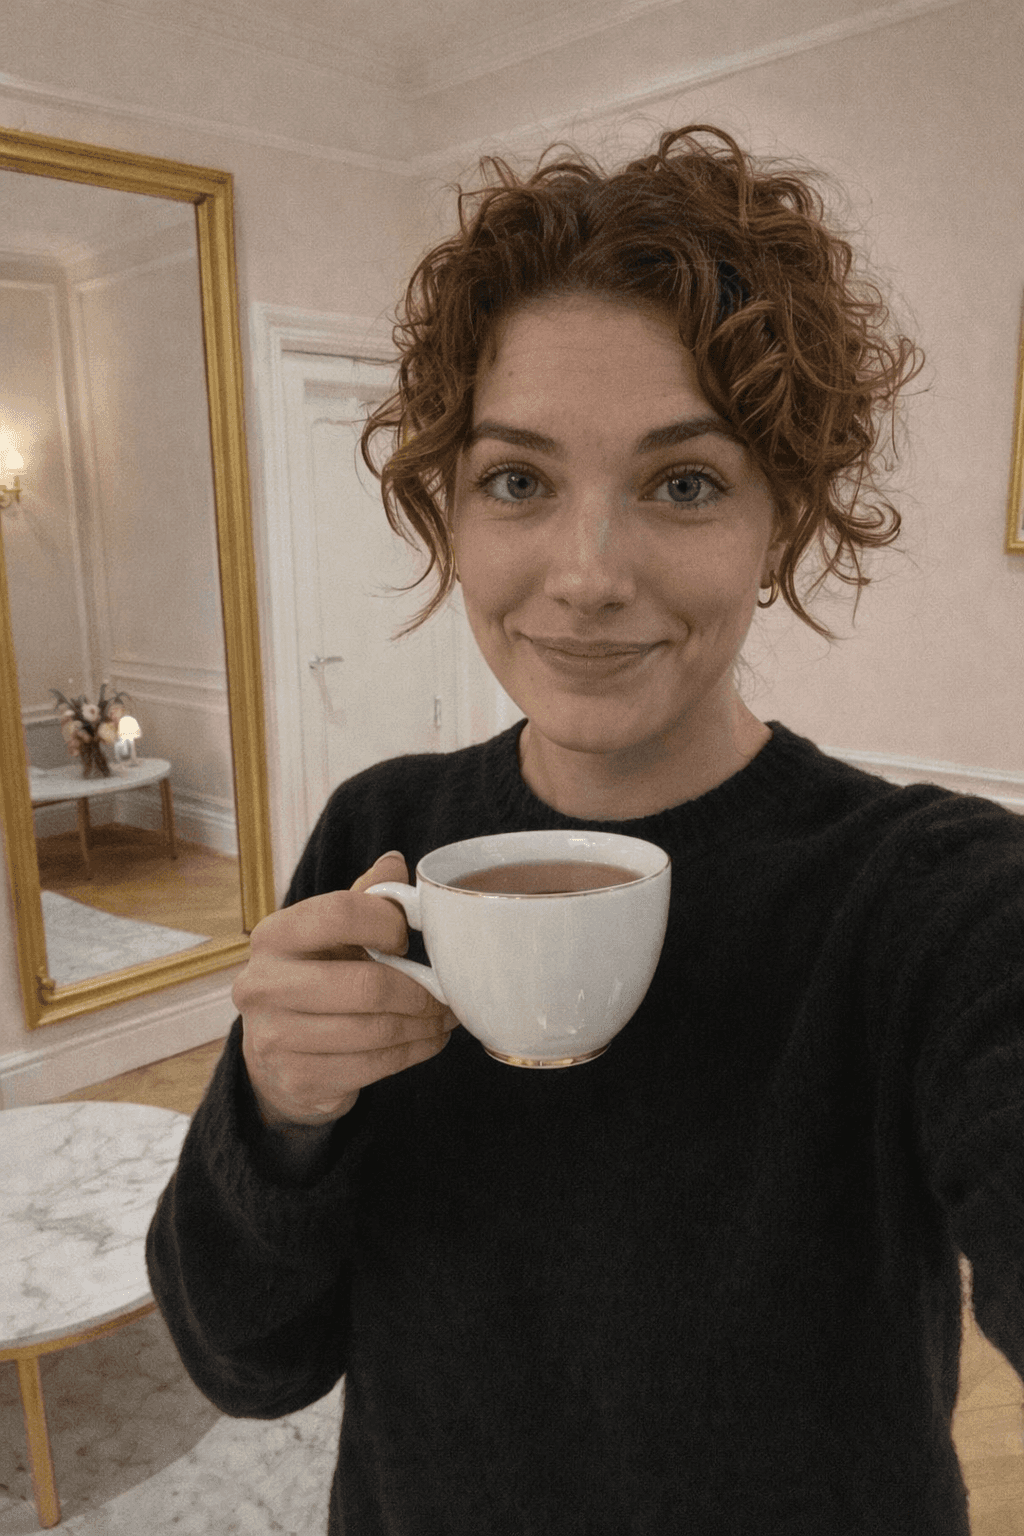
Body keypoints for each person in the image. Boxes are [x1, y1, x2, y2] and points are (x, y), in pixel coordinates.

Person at [146, 125, 1024, 1534]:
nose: (588, 575)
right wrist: (281, 1112)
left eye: (684, 482)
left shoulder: (935, 899)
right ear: (450, 510)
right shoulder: (384, 838)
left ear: (781, 520)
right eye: (518, 480)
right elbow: (246, 1365)